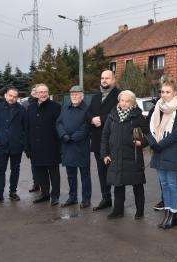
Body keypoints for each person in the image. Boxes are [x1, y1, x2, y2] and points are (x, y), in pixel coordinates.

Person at [147, 77, 177, 229]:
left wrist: (159, 144)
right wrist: (152, 142)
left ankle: (174, 214)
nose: (164, 95)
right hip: (159, 150)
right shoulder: (158, 106)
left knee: (172, 183)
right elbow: (150, 126)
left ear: (175, 92)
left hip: (173, 151)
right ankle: (168, 213)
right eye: (162, 92)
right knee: (164, 184)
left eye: (168, 92)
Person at [101, 90, 148, 219]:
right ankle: (118, 210)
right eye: (122, 100)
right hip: (115, 156)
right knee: (118, 184)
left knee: (137, 185)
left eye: (127, 101)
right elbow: (105, 135)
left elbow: (148, 134)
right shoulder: (112, 115)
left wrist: (141, 143)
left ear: (132, 102)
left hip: (133, 156)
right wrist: (105, 154)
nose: (124, 103)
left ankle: (140, 211)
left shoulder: (137, 116)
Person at [87, 70, 121, 211]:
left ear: (114, 79)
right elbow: (88, 112)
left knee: (116, 172)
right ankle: (105, 198)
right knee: (101, 172)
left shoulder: (120, 95)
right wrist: (91, 119)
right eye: (102, 78)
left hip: (113, 140)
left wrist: (101, 118)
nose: (104, 80)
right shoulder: (96, 97)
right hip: (97, 141)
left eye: (107, 78)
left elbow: (119, 112)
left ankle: (118, 204)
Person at [0, 87, 26, 204]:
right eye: (10, 96)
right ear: (5, 95)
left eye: (14, 96)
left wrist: (23, 142)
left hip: (16, 145)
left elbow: (26, 128)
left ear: (17, 98)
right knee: (0, 169)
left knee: (15, 170)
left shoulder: (22, 110)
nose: (12, 98)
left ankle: (13, 192)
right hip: (1, 145)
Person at [26, 84, 62, 206]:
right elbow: (27, 128)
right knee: (40, 172)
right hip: (35, 147)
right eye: (40, 92)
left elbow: (60, 126)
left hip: (51, 146)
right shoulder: (30, 108)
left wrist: (60, 147)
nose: (43, 94)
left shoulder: (56, 107)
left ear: (48, 92)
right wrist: (27, 147)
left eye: (45, 91)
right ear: (36, 93)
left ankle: (55, 195)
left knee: (54, 173)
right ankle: (45, 193)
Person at [57, 86, 93, 208]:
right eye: (72, 94)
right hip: (67, 147)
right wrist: (63, 135)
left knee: (85, 175)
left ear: (82, 96)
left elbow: (86, 127)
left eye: (77, 94)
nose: (74, 96)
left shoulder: (87, 109)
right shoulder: (65, 108)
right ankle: (72, 197)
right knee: (71, 175)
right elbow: (59, 123)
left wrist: (72, 137)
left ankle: (86, 199)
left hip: (81, 147)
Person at [22, 85, 41, 193]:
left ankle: (44, 184)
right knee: (34, 164)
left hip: (42, 139)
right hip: (30, 138)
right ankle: (36, 183)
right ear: (31, 92)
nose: (35, 92)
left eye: (37, 91)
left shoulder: (43, 103)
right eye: (33, 90)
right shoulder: (25, 104)